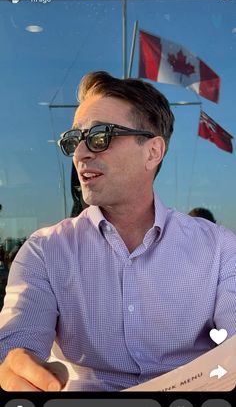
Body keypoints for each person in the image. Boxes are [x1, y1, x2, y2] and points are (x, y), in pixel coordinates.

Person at [0, 71, 236, 392]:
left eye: (100, 136)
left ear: (153, 152)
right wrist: (16, 367)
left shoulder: (220, 248)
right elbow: (19, 341)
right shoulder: (45, 251)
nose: (80, 154)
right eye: (73, 141)